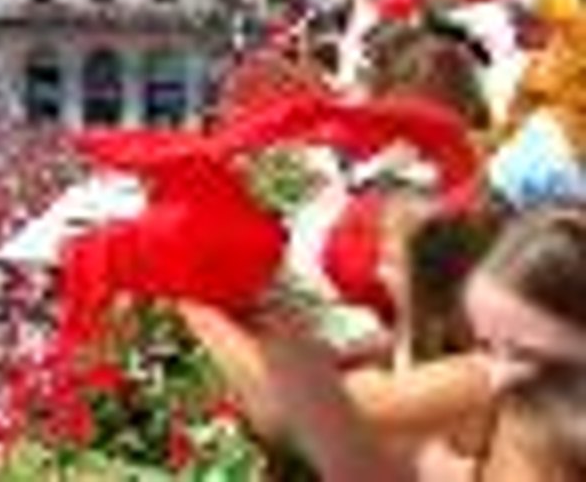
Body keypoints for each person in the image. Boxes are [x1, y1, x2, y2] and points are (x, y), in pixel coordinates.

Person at [181, 204, 586, 481]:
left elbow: (289, 415)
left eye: (389, 259)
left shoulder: (486, 382)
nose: (376, 268)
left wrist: (184, 286)